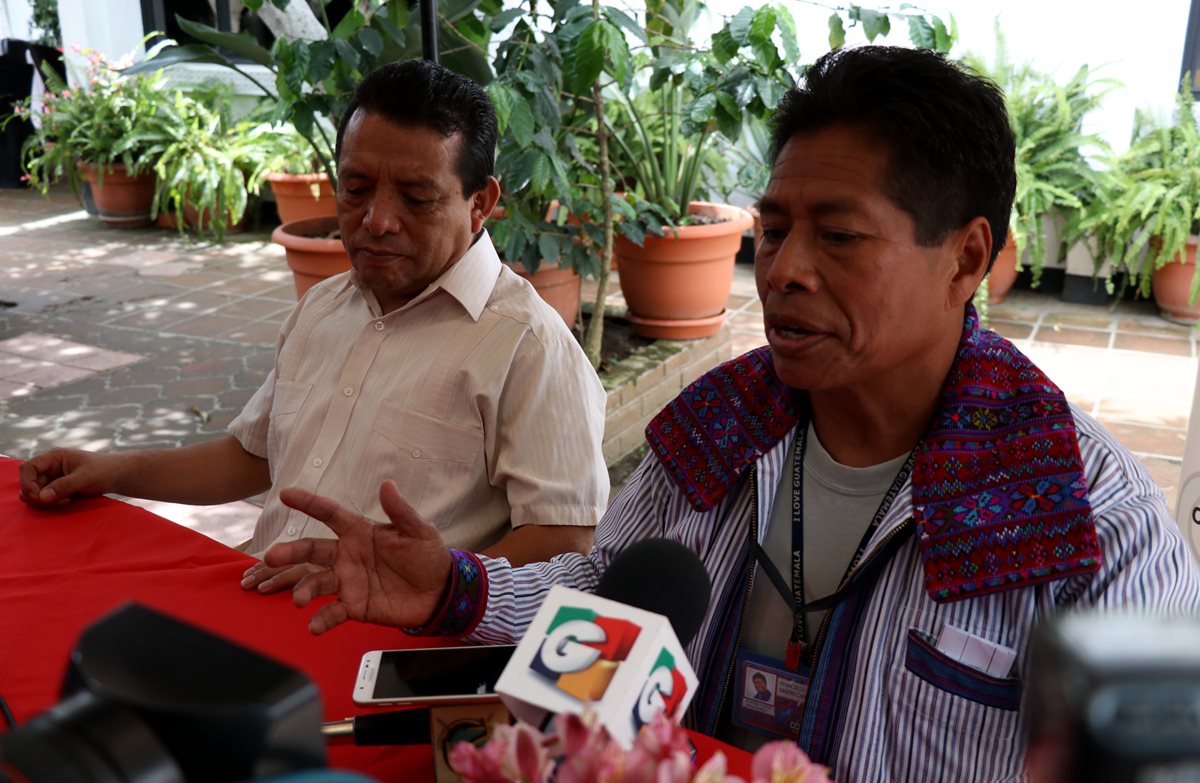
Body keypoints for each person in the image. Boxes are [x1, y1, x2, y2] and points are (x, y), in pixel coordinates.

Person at [262, 46, 1200, 781]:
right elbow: (603, 603)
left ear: (966, 257)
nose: (786, 270)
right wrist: (454, 591)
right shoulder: (715, 428)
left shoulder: (1087, 524)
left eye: (838, 236)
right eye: (775, 228)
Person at [17, 59, 609, 591]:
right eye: (355, 189)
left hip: (385, 650)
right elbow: (255, 456)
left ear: (480, 203)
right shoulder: (325, 306)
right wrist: (110, 470)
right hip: (258, 594)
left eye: (416, 197)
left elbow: (563, 541)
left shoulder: (527, 345)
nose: (376, 220)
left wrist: (420, 590)